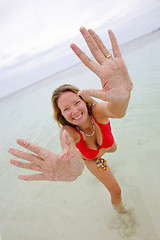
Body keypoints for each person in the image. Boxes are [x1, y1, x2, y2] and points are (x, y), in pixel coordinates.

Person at [8, 27, 133, 214]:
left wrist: (124, 95)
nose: (74, 111)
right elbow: (68, 149)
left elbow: (117, 111)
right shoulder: (68, 132)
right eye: (66, 109)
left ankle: (105, 157)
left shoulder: (96, 111)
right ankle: (125, 218)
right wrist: (71, 165)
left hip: (109, 144)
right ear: (61, 115)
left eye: (76, 103)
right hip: (92, 159)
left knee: (113, 148)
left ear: (84, 100)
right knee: (116, 190)